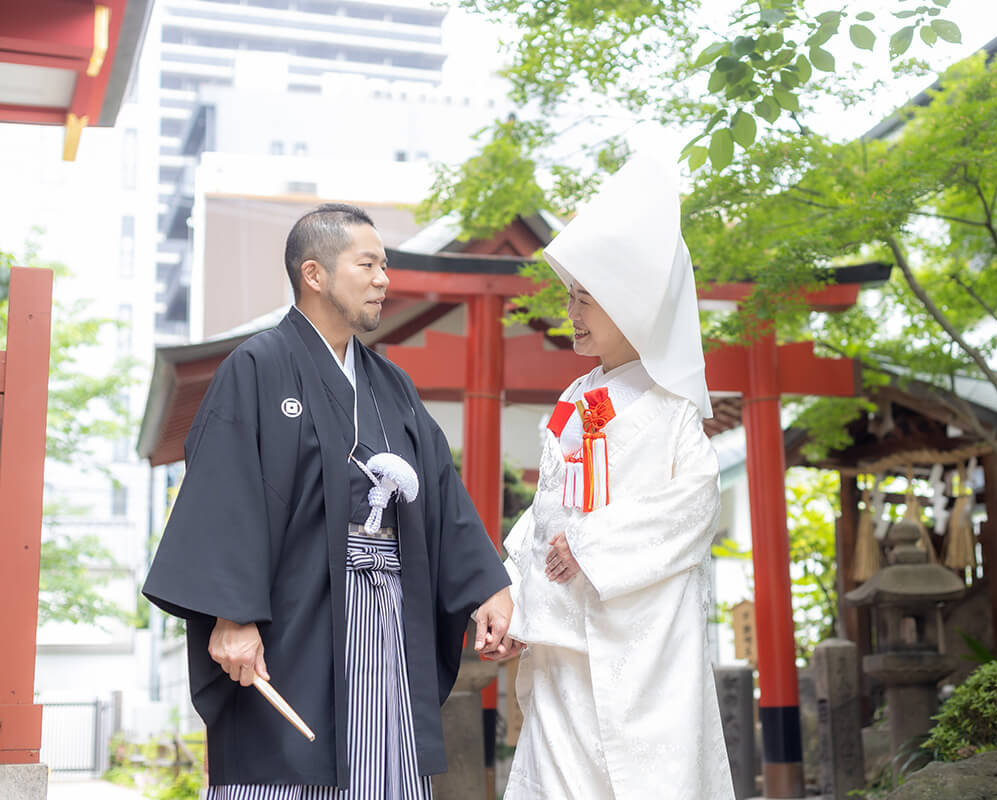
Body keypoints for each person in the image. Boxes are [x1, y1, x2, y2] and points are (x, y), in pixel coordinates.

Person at [143, 203, 517, 799]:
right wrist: (231, 614)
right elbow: (226, 493)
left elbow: (440, 490)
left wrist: (485, 585)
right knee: (290, 769)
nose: (383, 280)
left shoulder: (389, 383)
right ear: (314, 274)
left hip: (387, 616)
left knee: (384, 766)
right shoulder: (258, 366)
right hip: (295, 620)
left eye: (385, 265)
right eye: (367, 264)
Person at [501, 156, 736, 799]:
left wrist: (593, 543)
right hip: (561, 632)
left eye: (585, 298)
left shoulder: (671, 409)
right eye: (570, 295)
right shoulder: (577, 395)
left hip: (642, 642)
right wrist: (512, 599)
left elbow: (693, 506)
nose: (570, 311)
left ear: (630, 304)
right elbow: (546, 510)